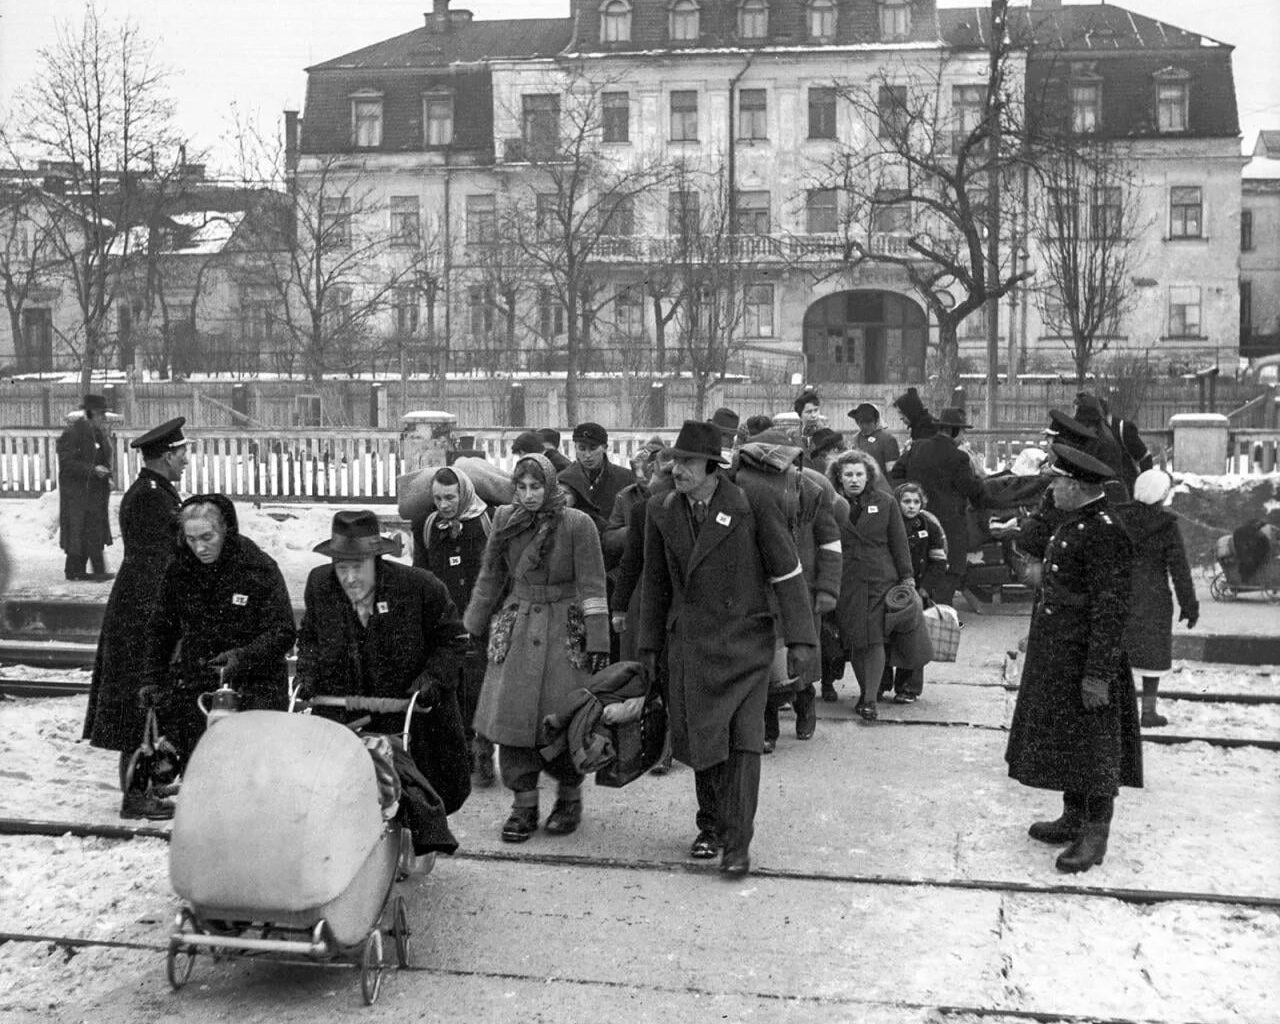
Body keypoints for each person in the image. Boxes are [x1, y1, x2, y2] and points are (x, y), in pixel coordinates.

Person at [638, 421, 816, 878]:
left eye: (687, 462)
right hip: (692, 644)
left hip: (746, 643)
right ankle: (711, 826)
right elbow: (655, 583)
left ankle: (738, 844)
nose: (677, 470)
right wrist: (649, 646)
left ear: (711, 466)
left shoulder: (751, 502)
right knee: (704, 739)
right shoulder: (661, 509)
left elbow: (787, 571)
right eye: (674, 461)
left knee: (743, 742)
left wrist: (800, 639)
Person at [1005, 444, 1140, 875]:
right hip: (1061, 654)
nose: (1052, 489)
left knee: (1096, 747)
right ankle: (1073, 816)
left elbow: (1111, 608)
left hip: (1088, 659)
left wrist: (1098, 674)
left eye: (1058, 482)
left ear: (1078, 486)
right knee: (1072, 739)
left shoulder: (1104, 531)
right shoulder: (1075, 520)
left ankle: (1095, 834)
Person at [463, 453, 610, 843]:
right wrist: (472, 625)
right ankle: (523, 806)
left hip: (566, 630)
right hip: (517, 626)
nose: (529, 495)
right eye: (522, 487)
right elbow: (491, 575)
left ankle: (569, 799)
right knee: (512, 720)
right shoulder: (504, 520)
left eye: (536, 487)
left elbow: (593, 584)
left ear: (550, 486)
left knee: (565, 721)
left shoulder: (577, 524)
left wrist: (598, 640)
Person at [294, 509, 472, 817]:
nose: (350, 577)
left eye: (358, 566)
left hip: (405, 713)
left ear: (376, 561)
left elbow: (453, 639)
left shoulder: (418, 587)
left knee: (414, 801)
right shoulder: (321, 584)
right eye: (341, 566)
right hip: (344, 714)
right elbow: (310, 637)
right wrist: (307, 672)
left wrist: (433, 678)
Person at [139, 495, 296, 810]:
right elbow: (161, 629)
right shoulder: (180, 569)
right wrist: (152, 678)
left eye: (207, 537)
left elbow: (283, 631)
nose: (200, 548)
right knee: (202, 769)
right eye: (191, 539)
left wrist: (242, 657)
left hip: (256, 684)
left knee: (252, 776)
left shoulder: (258, 568)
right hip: (201, 681)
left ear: (226, 530)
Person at [82, 417, 190, 819]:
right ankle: (136, 795)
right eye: (182, 454)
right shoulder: (150, 497)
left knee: (148, 701)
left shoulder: (154, 492)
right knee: (139, 703)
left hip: (140, 605)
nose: (186, 461)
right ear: (166, 456)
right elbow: (162, 561)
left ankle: (148, 782)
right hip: (143, 611)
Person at [734, 427, 841, 749]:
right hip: (760, 591)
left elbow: (830, 542)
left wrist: (828, 588)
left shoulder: (812, 491)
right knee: (766, 661)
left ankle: (805, 705)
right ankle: (767, 729)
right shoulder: (746, 491)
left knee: (801, 659)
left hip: (802, 591)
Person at [413, 467, 496, 786]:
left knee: (480, 687)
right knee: (452, 686)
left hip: (482, 620)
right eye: (437, 498)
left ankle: (483, 751)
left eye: (450, 497)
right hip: (446, 623)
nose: (444, 505)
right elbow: (421, 573)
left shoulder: (487, 522)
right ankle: (461, 754)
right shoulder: (428, 526)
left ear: (464, 494)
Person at [829, 450, 915, 721]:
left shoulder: (886, 502)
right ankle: (867, 691)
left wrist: (907, 576)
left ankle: (869, 700)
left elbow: (899, 542)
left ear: (868, 476)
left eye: (859, 474)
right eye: (848, 474)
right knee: (856, 639)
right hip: (846, 580)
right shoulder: (830, 504)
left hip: (880, 578)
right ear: (839, 478)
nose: (854, 479)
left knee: (875, 637)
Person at [1115, 469, 1198, 728]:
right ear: (1162, 495)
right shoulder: (1167, 526)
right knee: (1153, 652)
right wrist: (1189, 606)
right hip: (1154, 597)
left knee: (1117, 652)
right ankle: (1148, 712)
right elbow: (1180, 569)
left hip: (1119, 593)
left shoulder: (1117, 518)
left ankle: (1118, 712)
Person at [890, 407, 984, 609]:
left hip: (916, 523)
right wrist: (978, 475)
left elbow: (896, 472)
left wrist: (910, 494)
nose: (963, 437)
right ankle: (941, 617)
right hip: (948, 528)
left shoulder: (916, 447)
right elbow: (972, 490)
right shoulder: (959, 457)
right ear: (953, 430)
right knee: (946, 580)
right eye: (962, 431)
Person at [881, 482, 948, 704]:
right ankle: (880, 684)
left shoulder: (930, 526)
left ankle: (908, 688)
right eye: (906, 501)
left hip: (919, 592)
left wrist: (925, 589)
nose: (911, 506)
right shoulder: (887, 523)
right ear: (897, 502)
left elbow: (938, 562)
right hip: (890, 590)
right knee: (884, 638)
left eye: (916, 502)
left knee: (913, 640)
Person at [57, 393, 115, 581]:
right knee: (80, 529)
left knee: (92, 529)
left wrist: (107, 475)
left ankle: (89, 570)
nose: (103, 418)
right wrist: (92, 470)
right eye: (100, 414)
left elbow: (103, 458)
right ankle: (78, 571)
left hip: (95, 492)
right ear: (90, 414)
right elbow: (67, 464)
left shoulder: (97, 433)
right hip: (78, 493)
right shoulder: (73, 433)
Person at [558, 421, 633, 536]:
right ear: (575, 448)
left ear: (605, 448)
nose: (587, 455)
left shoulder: (626, 478)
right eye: (582, 448)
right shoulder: (564, 479)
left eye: (593, 448)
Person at [1099, 394, 1153, 498]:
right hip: (1102, 493)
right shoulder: (1091, 433)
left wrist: (1143, 488)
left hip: (1127, 490)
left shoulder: (1122, 429)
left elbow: (1145, 458)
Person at [850, 403, 900, 476]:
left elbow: (893, 472)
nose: (865, 426)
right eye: (861, 422)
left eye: (868, 422)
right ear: (857, 422)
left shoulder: (888, 439)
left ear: (876, 421)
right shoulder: (856, 439)